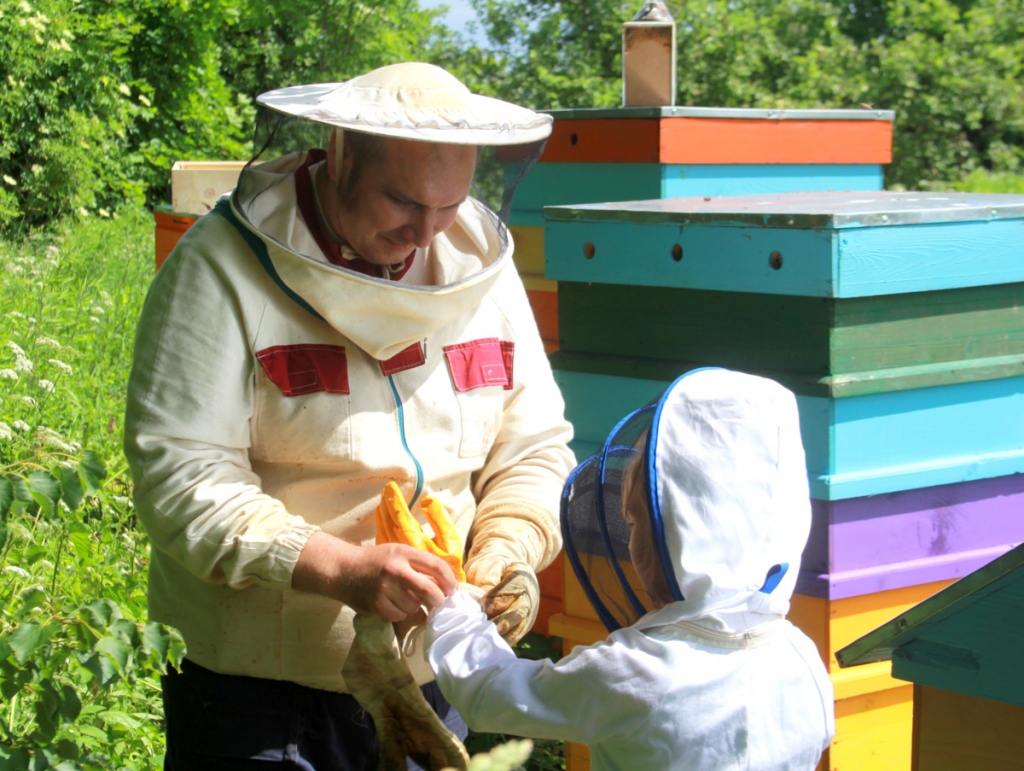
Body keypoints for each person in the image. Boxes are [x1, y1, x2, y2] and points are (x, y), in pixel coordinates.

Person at [123, 62, 575, 770]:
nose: (426, 232)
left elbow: (535, 444)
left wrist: (511, 547)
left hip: (433, 677)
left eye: (448, 204)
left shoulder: (478, 267)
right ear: (339, 155)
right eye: (402, 201)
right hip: (261, 697)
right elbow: (180, 476)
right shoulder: (221, 267)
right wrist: (340, 568)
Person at [425, 368, 835, 771]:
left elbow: (489, 691)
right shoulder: (800, 656)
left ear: (677, 537)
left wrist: (451, 604)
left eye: (635, 522)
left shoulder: (643, 672)